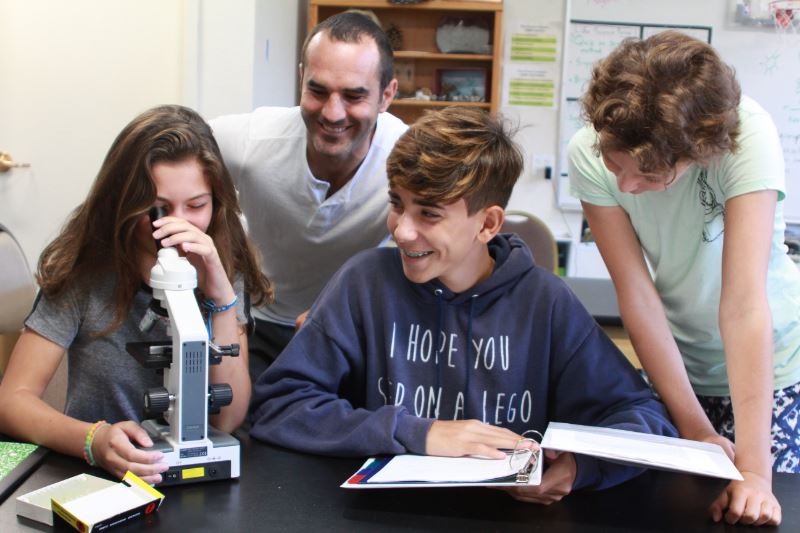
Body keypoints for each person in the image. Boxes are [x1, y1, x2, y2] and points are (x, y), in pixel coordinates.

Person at [250, 107, 677, 503]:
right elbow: (279, 404)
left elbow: (643, 417)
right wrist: (419, 432)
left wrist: (581, 468)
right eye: (397, 204)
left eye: (429, 215)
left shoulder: (545, 302)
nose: (402, 231)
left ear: (488, 223)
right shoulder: (364, 283)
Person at [568, 31, 800, 526]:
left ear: (700, 154)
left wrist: (755, 473)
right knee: (673, 513)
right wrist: (695, 427)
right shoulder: (586, 151)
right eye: (615, 164)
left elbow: (743, 307)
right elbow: (638, 296)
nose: (627, 186)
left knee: (753, 512)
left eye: (650, 177)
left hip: (771, 371)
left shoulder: (746, 136)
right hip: (678, 367)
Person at [0, 105, 273, 485]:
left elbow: (227, 419)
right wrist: (92, 440)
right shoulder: (87, 273)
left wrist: (220, 294)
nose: (177, 224)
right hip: (99, 479)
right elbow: (12, 400)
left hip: (194, 482)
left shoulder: (226, 269)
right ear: (125, 203)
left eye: (196, 206)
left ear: (217, 200)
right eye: (157, 209)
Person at [211, 12, 408, 379]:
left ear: (387, 95)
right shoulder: (254, 141)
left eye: (353, 96)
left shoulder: (407, 159)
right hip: (260, 323)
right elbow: (159, 152)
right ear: (301, 77)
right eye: (318, 91)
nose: (332, 113)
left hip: (351, 332)